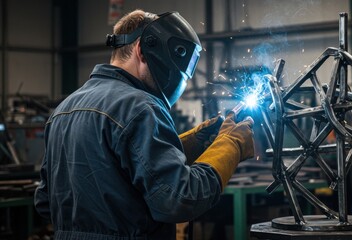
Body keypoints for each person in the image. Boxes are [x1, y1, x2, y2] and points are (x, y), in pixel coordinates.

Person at [34, 9, 254, 240]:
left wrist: (189, 145)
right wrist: (231, 145)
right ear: (142, 49)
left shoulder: (63, 110)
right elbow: (180, 199)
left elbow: (45, 202)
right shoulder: (140, 106)